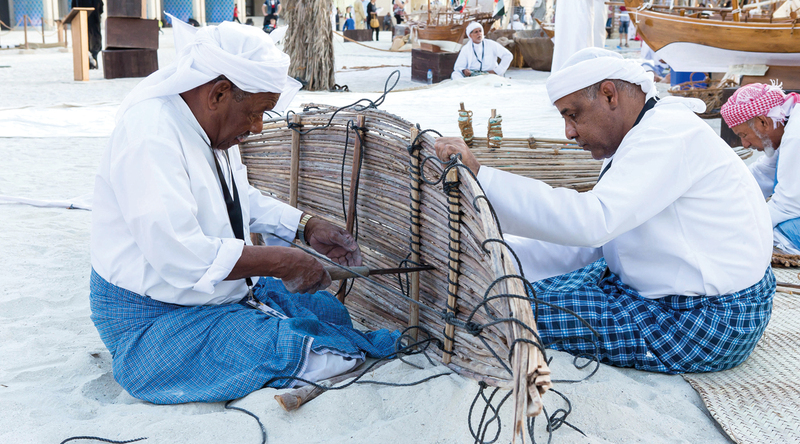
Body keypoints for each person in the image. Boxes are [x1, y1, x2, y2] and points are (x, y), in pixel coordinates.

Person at [90, 19, 399, 405]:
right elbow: (180, 255)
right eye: (256, 113)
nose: (256, 127)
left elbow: (236, 198)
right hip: (152, 321)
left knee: (326, 312)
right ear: (219, 93)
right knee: (323, 358)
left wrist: (305, 226)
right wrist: (281, 263)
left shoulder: (210, 126)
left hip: (211, 295)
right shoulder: (150, 135)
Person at [435, 47, 774, 374]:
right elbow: (594, 243)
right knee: (511, 294)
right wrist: (501, 262)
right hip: (682, 296)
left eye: (572, 114)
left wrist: (482, 179)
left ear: (610, 95)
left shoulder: (669, 134)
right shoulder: (644, 133)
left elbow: (593, 223)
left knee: (499, 314)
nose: (568, 132)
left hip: (708, 317)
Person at [721, 83, 800, 256]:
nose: (745, 144)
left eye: (744, 135)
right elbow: (762, 173)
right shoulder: (788, 121)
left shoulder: (796, 135)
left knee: (776, 237)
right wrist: (721, 195)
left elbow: (789, 205)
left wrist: (737, 227)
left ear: (763, 121)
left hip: (794, 207)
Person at [72, 0, 103, 69]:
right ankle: (89, 63)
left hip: (93, 22)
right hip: (84, 21)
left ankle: (93, 62)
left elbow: (100, 7)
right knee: (88, 42)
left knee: (93, 43)